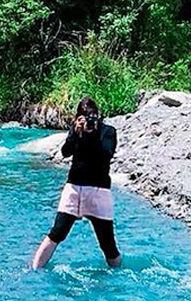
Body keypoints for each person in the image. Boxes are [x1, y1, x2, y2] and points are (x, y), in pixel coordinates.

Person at [29, 97, 122, 269]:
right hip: (73, 189)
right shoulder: (76, 130)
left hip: (98, 191)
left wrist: (91, 135)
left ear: (98, 116)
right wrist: (77, 134)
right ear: (78, 117)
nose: (90, 120)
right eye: (86, 116)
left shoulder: (108, 131)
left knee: (107, 244)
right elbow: (65, 152)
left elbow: (106, 155)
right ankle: (35, 270)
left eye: (93, 116)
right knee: (57, 233)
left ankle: (119, 276)